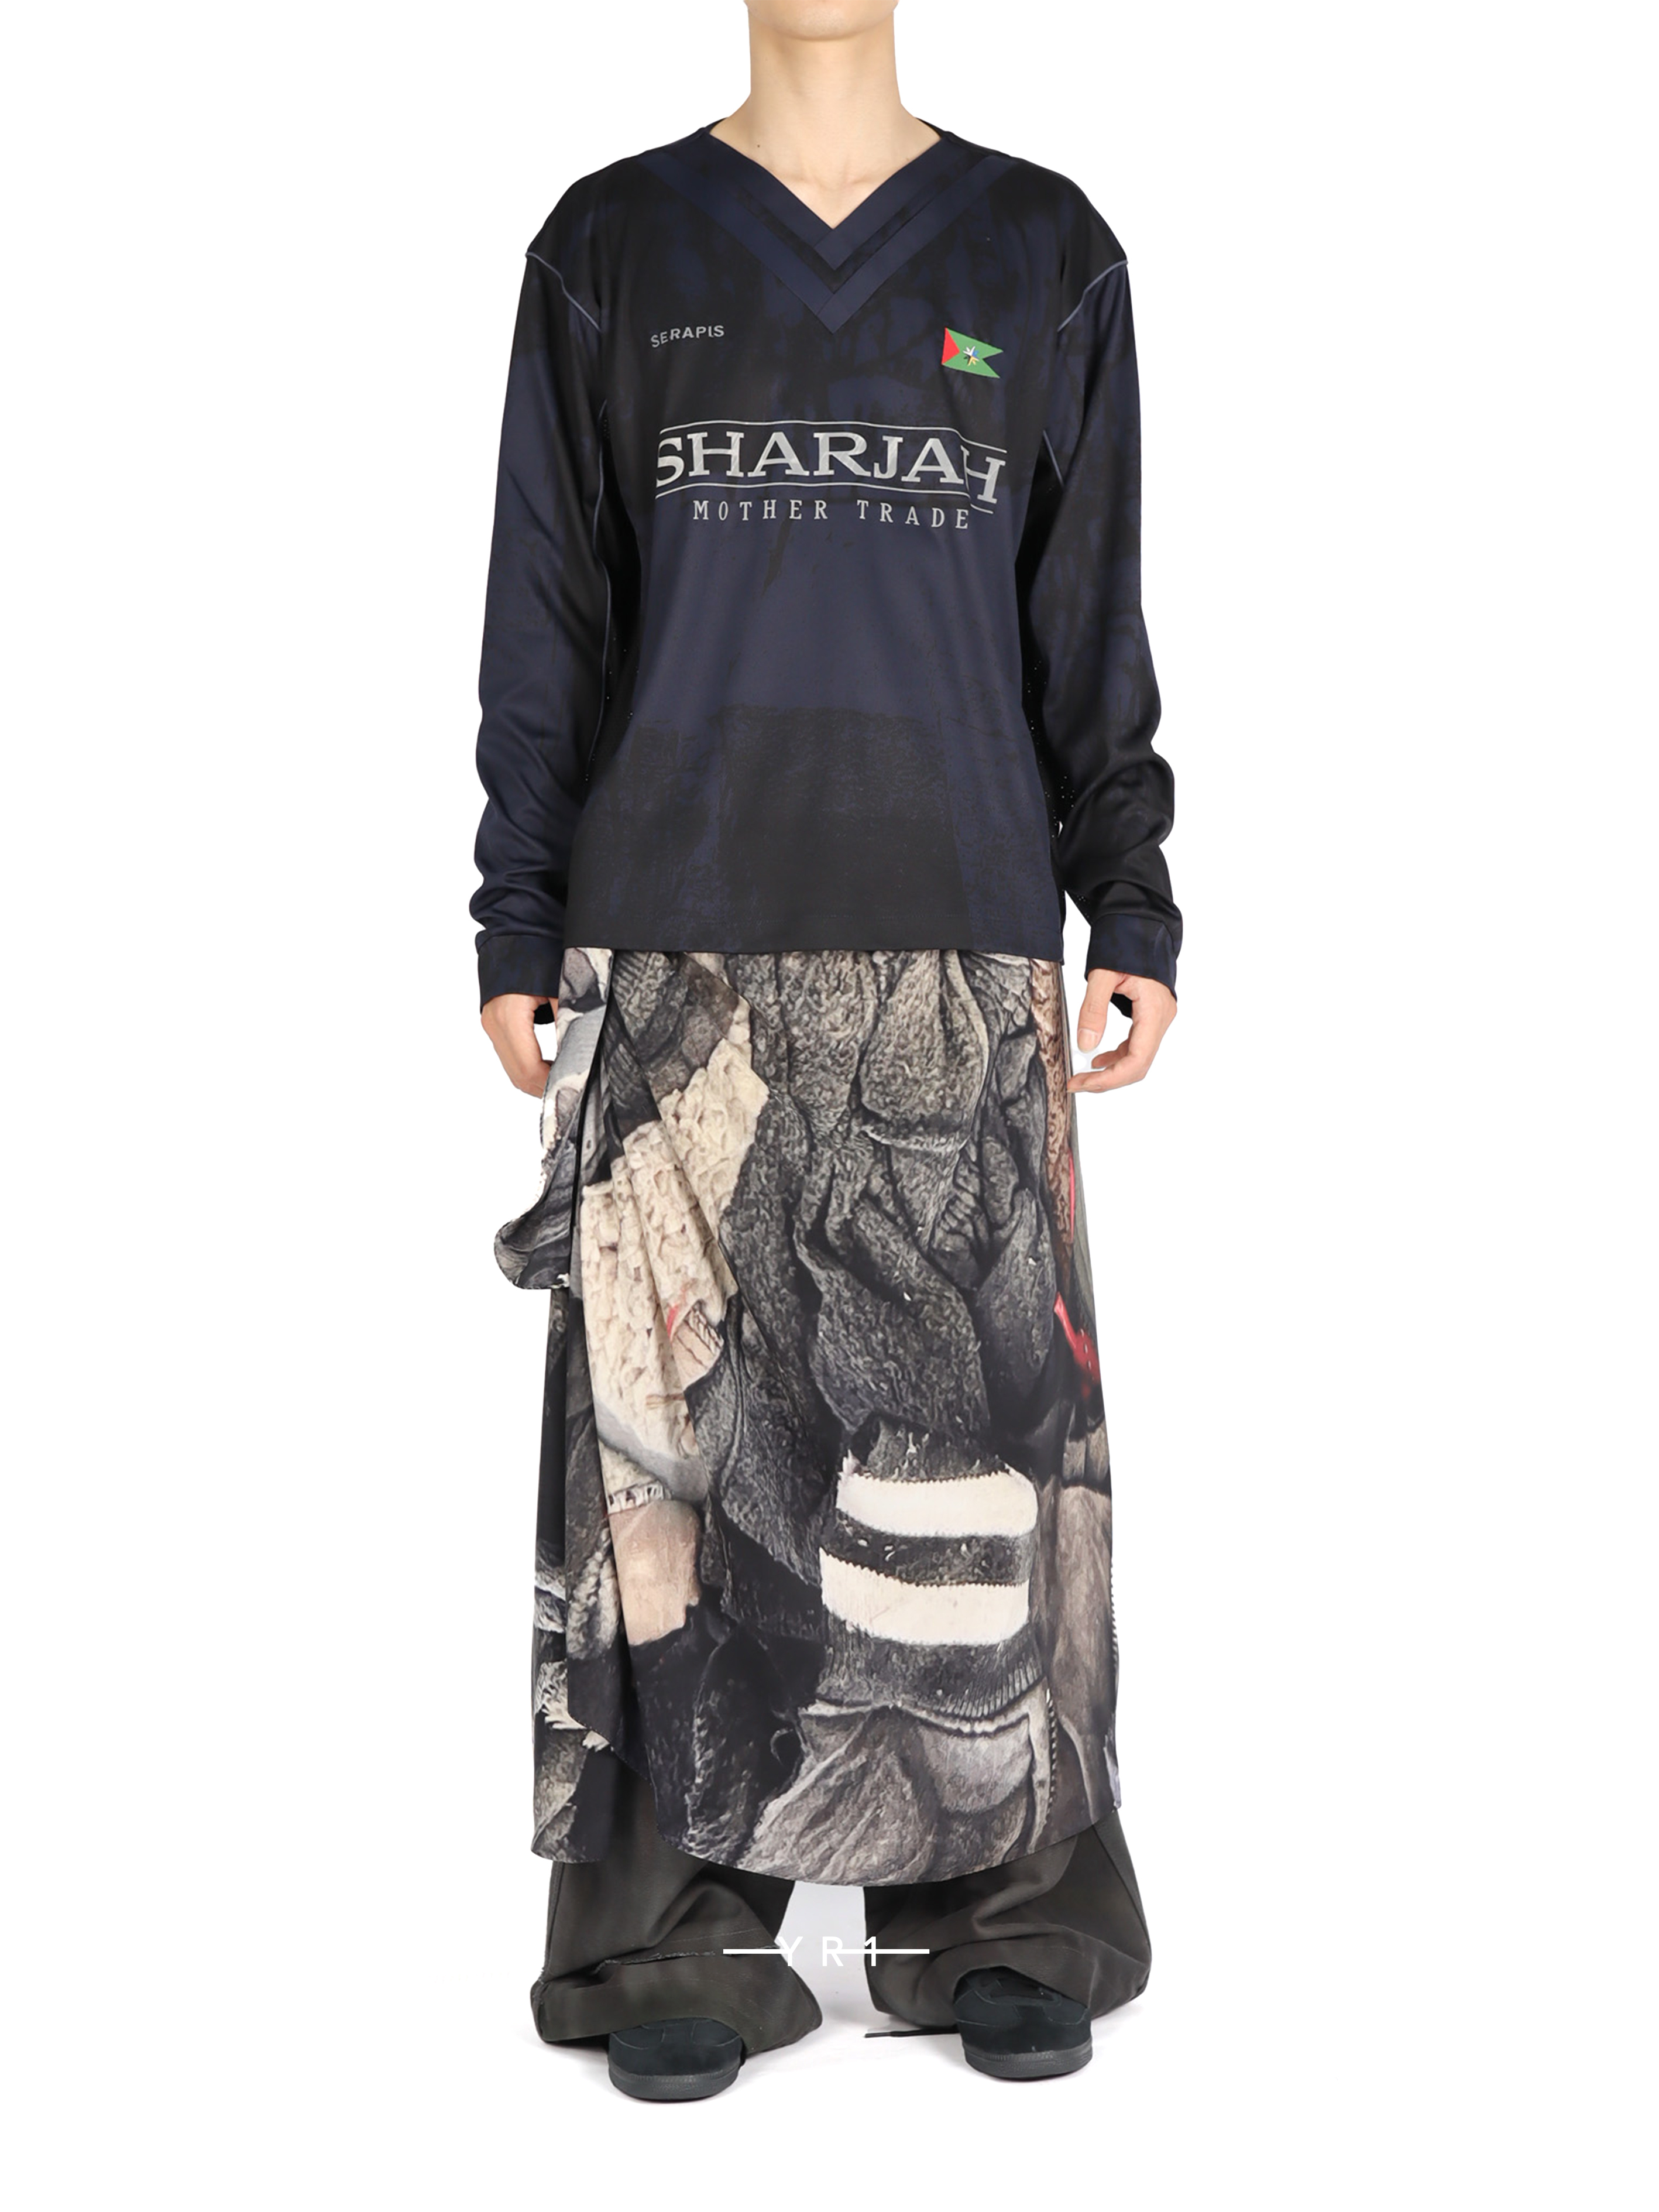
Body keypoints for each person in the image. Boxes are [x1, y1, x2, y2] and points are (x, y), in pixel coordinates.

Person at [471, 0, 1178, 2100]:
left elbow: (1086, 612)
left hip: (961, 916)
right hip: (675, 918)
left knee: (984, 1414)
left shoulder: (1040, 251)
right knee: (671, 1440)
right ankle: (671, 1926)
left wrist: (1126, 892)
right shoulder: (611, 246)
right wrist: (515, 910)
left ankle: (1002, 1910)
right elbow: (546, 608)